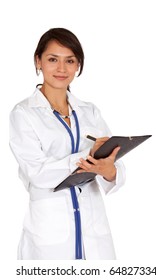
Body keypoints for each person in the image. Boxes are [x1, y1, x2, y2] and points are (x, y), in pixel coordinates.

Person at [9, 28, 126, 260]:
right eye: (53, 59)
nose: (62, 69)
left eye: (70, 61)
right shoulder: (23, 114)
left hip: (95, 235)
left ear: (78, 65)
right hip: (49, 237)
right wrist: (86, 157)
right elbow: (36, 173)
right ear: (38, 61)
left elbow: (115, 168)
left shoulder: (90, 112)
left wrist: (109, 171)